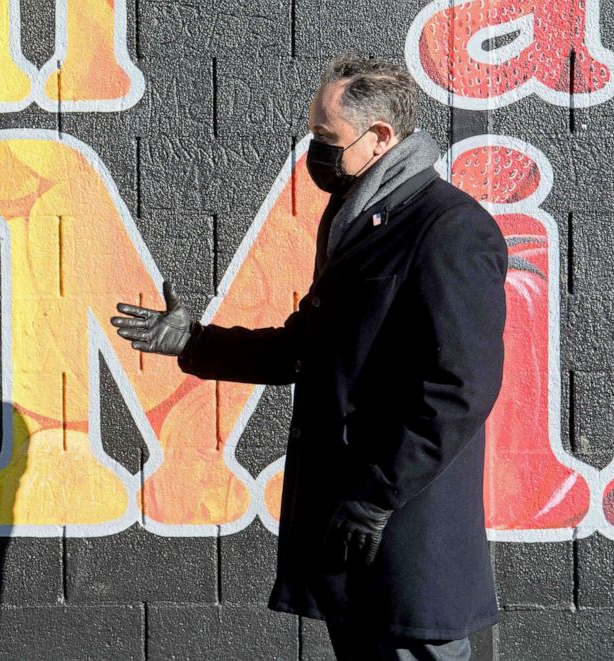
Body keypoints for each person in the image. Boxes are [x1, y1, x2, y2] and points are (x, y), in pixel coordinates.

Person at [111, 56, 507, 660]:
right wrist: (195, 342)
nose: (314, 153)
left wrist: (380, 494)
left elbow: (462, 386)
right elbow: (306, 349)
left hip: (406, 539)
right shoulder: (354, 218)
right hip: (348, 534)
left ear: (380, 138)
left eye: (326, 138)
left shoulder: (448, 228)